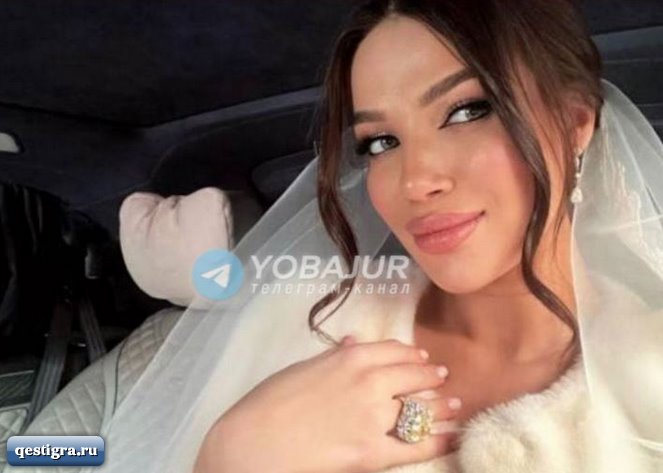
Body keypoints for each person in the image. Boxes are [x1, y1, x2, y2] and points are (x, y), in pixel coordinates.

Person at [90, 1, 663, 472]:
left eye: (467, 111)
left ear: (574, 123)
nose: (415, 181)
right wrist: (229, 458)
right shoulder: (302, 316)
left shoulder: (649, 377)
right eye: (381, 143)